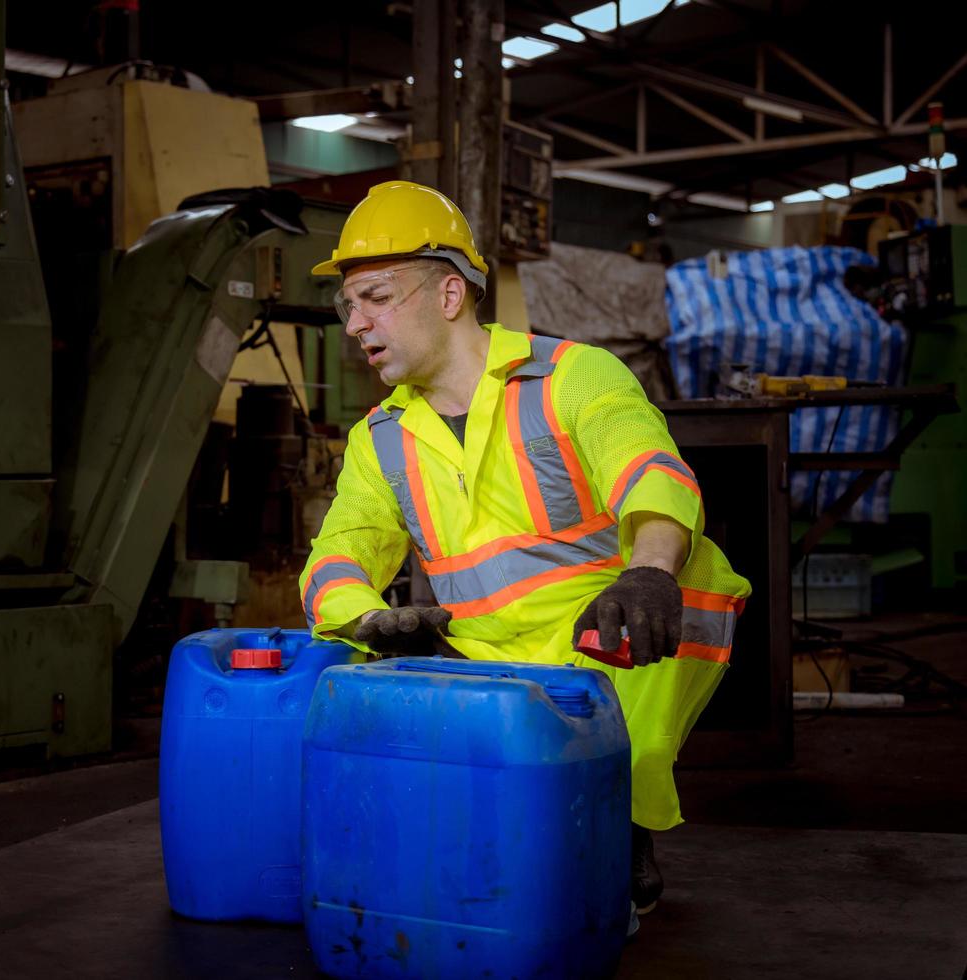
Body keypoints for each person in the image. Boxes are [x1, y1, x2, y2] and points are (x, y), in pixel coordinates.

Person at [298, 180, 751, 918]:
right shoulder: (379, 438)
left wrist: (649, 569)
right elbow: (341, 550)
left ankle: (624, 824)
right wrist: (360, 618)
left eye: (375, 297)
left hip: (616, 637)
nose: (355, 323)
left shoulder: (572, 377)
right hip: (493, 660)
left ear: (449, 295)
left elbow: (650, 470)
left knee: (661, 604)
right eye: (347, 304)